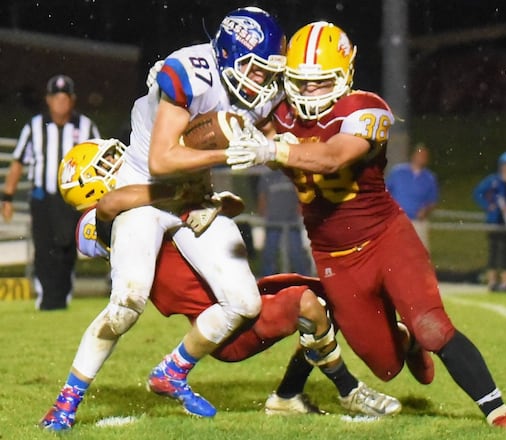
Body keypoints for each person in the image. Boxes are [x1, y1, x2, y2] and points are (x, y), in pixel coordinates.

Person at [227, 21, 506, 428]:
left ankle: (498, 411)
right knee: (386, 367)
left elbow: (333, 156)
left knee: (433, 326)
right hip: (334, 257)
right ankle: (408, 339)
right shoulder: (275, 113)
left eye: (321, 82)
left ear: (344, 76)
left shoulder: (364, 109)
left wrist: (272, 148)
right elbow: (224, 124)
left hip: (385, 238)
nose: (310, 92)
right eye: (302, 82)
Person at [39, 8, 292, 431]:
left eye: (268, 72)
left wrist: (275, 149)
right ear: (229, 54)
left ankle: (172, 371)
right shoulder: (191, 72)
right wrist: (229, 155)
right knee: (128, 301)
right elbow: (162, 159)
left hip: (190, 195)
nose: (261, 80)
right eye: (255, 68)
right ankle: (67, 400)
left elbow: (268, 139)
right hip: (151, 193)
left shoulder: (259, 88)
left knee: (245, 303)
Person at [47, 139, 401, 424]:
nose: (119, 163)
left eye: (113, 156)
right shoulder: (99, 222)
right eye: (106, 165)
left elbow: (215, 215)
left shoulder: (152, 205)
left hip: (230, 299)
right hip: (222, 324)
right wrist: (178, 195)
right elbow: (113, 206)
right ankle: (348, 389)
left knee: (330, 293)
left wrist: (209, 203)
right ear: (86, 190)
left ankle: (288, 395)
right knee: (310, 303)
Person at [2, 74, 101, 310]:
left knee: (67, 247)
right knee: (44, 247)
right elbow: (18, 162)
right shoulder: (34, 126)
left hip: (71, 199)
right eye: (56, 97)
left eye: (65, 97)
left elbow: (99, 159)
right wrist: (7, 196)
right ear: (48, 100)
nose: (61, 102)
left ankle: (62, 293)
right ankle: (47, 298)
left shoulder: (85, 126)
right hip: (42, 197)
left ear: (72, 100)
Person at [473, 151, 506, 292]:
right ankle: (492, 281)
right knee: (494, 251)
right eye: (505, 165)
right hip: (495, 221)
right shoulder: (494, 181)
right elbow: (478, 193)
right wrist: (488, 206)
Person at [257, 166, 312, 276]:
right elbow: (262, 197)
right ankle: (267, 278)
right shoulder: (266, 177)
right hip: (272, 221)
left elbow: (300, 194)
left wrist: (301, 211)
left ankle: (304, 277)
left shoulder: (293, 175)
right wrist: (263, 214)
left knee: (296, 252)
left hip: (291, 221)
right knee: (270, 252)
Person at [385, 144, 439, 249]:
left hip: (417, 222)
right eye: (420, 155)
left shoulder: (429, 178)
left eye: (424, 156)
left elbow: (432, 200)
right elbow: (385, 192)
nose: (421, 158)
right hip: (397, 220)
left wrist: (426, 210)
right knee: (395, 250)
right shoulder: (398, 172)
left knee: (419, 252)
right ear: (413, 155)